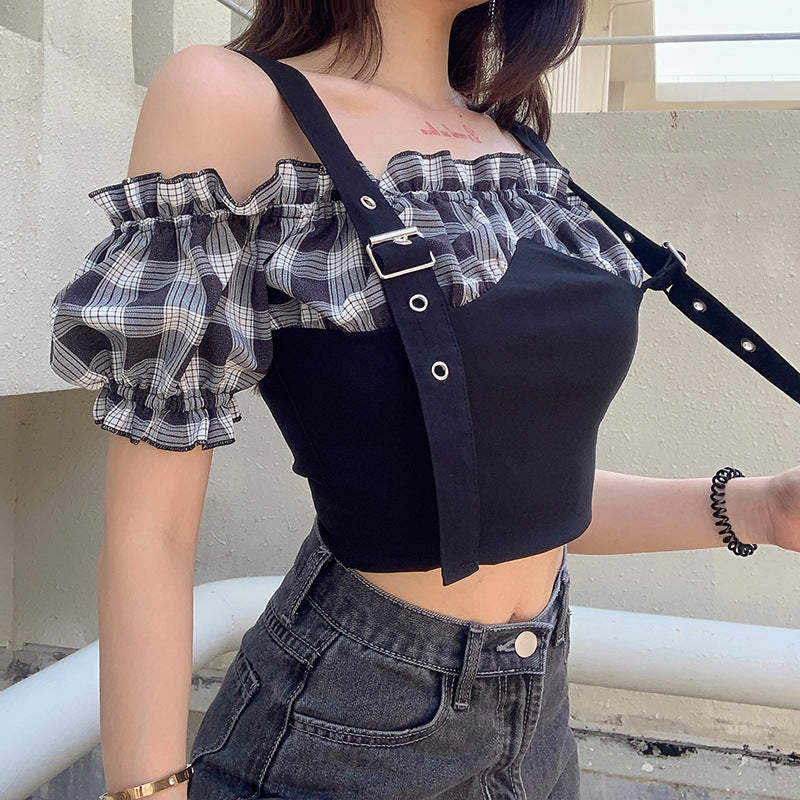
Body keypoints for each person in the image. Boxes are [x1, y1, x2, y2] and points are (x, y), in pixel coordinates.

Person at [47, 1, 800, 799]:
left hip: (540, 724)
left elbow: (509, 496)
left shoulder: (511, 143)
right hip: (347, 728)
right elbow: (153, 531)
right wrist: (148, 789)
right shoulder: (231, 99)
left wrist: (761, 509)